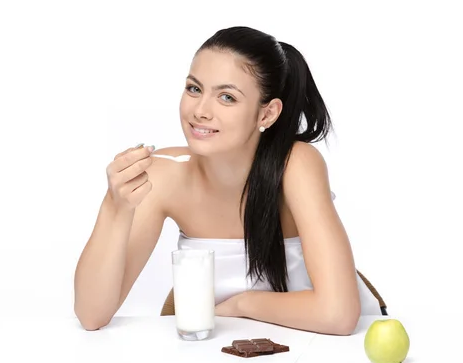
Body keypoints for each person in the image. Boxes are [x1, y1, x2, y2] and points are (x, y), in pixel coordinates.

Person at [73, 26, 384, 335]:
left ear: (267, 114)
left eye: (226, 97)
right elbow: (92, 315)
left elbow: (337, 315)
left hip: (330, 346)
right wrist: (115, 208)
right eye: (194, 89)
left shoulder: (297, 164)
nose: (200, 111)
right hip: (223, 352)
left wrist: (242, 305)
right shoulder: (163, 174)